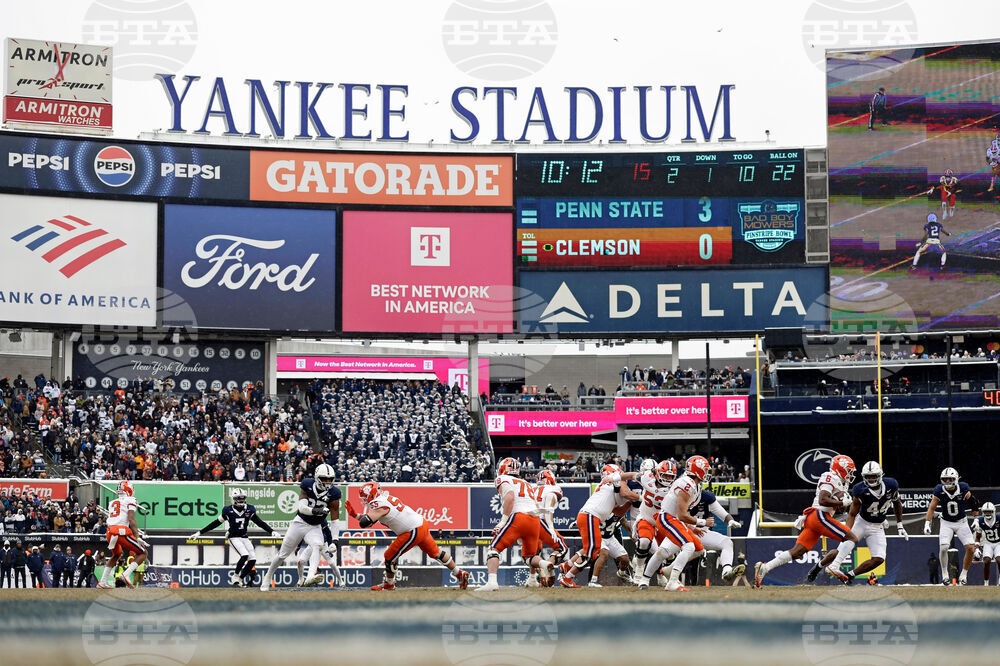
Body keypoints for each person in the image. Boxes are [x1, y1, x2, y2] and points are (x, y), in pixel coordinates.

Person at [756, 455, 859, 587]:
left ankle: (765, 568)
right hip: (819, 515)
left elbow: (841, 508)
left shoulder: (840, 482)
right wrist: (841, 500)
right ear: (841, 469)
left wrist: (844, 502)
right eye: (849, 471)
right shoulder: (830, 476)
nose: (851, 474)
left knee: (797, 552)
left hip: (815, 519)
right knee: (852, 538)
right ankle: (834, 566)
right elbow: (823, 499)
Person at [348, 481, 468, 591]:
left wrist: (359, 518)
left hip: (412, 530)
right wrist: (356, 515)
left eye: (365, 497)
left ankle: (389, 584)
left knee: (390, 555)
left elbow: (366, 522)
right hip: (421, 524)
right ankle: (459, 573)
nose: (364, 500)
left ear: (371, 495)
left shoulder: (377, 504)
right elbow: (373, 518)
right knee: (436, 552)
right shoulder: (384, 498)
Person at [812, 461, 907, 584]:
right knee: (847, 542)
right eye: (868, 477)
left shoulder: (891, 485)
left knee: (879, 558)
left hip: (877, 526)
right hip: (862, 522)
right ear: (864, 477)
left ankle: (850, 575)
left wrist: (900, 524)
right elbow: (852, 513)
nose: (871, 479)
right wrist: (846, 531)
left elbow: (897, 503)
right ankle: (826, 566)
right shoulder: (859, 489)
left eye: (874, 476)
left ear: (880, 475)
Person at [637, 455, 714, 591]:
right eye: (705, 470)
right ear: (698, 470)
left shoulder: (693, 485)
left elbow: (682, 514)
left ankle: (647, 578)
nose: (707, 473)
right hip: (668, 519)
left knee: (673, 551)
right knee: (688, 546)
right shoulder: (687, 484)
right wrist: (702, 522)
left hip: (675, 520)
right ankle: (672, 581)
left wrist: (692, 527)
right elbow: (682, 515)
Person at [558, 463, 640, 588]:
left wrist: (630, 501)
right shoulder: (614, 480)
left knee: (592, 550)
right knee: (593, 551)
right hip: (591, 516)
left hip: (591, 517)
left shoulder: (608, 487)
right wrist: (640, 497)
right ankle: (568, 576)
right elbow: (625, 493)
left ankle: (567, 567)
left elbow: (617, 510)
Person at [260, 464, 341, 590]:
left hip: (315, 526)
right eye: (324, 478)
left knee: (318, 545)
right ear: (317, 477)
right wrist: (316, 511)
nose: (327, 482)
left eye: (330, 479)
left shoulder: (335, 493)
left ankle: (309, 576)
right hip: (300, 522)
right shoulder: (307, 484)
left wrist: (335, 540)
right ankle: (268, 576)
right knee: (283, 554)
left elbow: (335, 520)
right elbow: (302, 508)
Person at [477, 458, 552, 592]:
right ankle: (544, 564)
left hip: (519, 517)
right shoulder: (526, 483)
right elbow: (535, 505)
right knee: (529, 557)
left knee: (494, 549)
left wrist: (503, 521)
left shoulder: (502, 479)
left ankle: (492, 582)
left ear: (503, 469)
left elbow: (510, 496)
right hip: (534, 519)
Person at [191, 487, 279, 587]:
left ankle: (239, 580)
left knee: (252, 560)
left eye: (242, 498)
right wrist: (200, 532)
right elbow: (215, 523)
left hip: (244, 537)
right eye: (239, 498)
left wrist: (271, 531)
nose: (241, 500)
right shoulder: (228, 511)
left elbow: (260, 522)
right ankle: (235, 576)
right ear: (234, 499)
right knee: (244, 555)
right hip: (233, 537)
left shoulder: (249, 510)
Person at [924, 467, 977, 585]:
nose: (947, 481)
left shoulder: (963, 488)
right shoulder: (939, 490)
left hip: (961, 522)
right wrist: (927, 522)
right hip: (946, 522)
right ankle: (945, 574)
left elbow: (973, 502)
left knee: (971, 549)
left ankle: (964, 574)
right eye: (945, 479)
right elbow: (932, 507)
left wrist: (976, 518)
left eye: (950, 479)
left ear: (956, 479)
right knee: (943, 547)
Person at [97, 480, 149, 588]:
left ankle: (102, 582)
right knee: (143, 553)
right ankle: (126, 574)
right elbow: (131, 518)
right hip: (121, 532)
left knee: (116, 555)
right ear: (129, 490)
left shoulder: (112, 502)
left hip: (110, 532)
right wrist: (137, 536)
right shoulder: (131, 499)